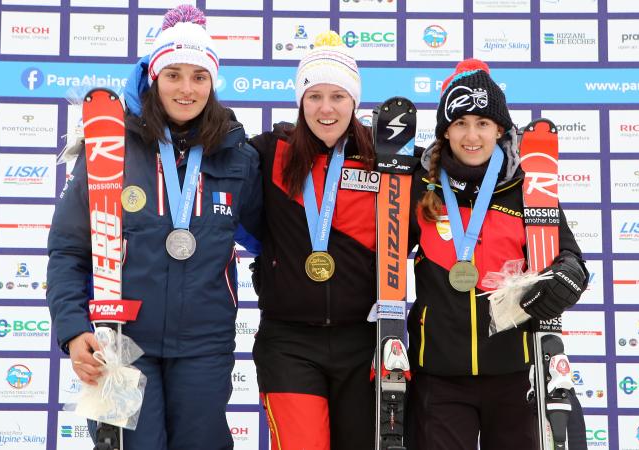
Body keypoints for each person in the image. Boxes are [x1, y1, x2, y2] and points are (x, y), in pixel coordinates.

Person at [46, 5, 262, 449]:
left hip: (205, 345)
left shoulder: (236, 155)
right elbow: (69, 250)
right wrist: (72, 329)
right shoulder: (108, 150)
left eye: (199, 77)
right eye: (174, 75)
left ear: (212, 82)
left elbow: (273, 240)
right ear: (153, 77)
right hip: (122, 343)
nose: (186, 89)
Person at [405, 59, 589, 450]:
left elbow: (570, 258)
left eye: (483, 123)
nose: (472, 136)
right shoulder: (419, 188)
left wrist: (567, 277)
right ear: (445, 131)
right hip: (439, 376)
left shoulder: (527, 188)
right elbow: (381, 253)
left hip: (516, 373)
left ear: (500, 129)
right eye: (460, 123)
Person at [248, 31, 378, 450]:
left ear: (354, 102)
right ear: (300, 101)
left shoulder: (383, 163)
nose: (326, 108)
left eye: (338, 96)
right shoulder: (268, 153)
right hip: (289, 343)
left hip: (363, 341)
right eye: (314, 95)